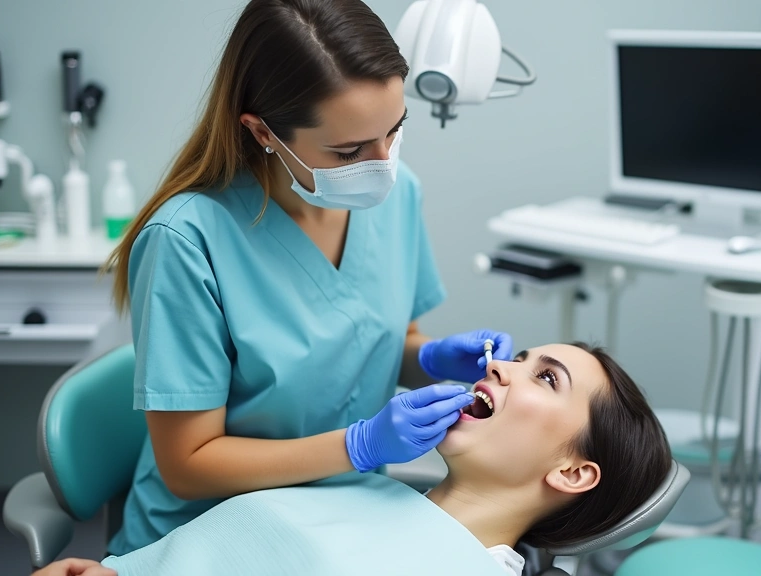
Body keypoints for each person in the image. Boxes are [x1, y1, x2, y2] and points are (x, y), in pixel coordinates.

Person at [101, 0, 512, 555]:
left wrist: (431, 358)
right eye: (348, 151)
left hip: (343, 520)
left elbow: (384, 339)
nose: (382, 163)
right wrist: (359, 446)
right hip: (208, 537)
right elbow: (188, 467)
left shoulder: (399, 193)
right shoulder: (187, 240)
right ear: (262, 131)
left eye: (395, 131)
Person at [34, 343, 673, 576]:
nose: (501, 365)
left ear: (572, 471)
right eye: (520, 355)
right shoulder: (367, 488)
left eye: (546, 378)